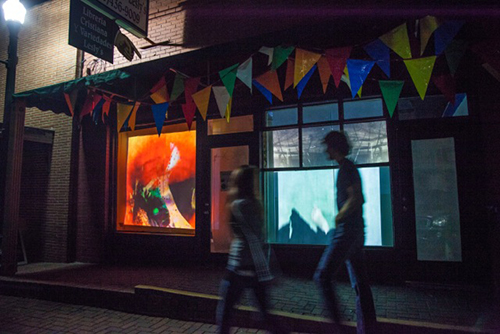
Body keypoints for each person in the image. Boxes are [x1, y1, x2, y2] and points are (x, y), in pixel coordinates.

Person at [314, 131, 377, 334]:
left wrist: (339, 216)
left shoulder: (347, 168)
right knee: (360, 284)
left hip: (348, 231)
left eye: (327, 146)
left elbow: (357, 197)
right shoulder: (347, 167)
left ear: (334, 147)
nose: (325, 150)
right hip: (356, 231)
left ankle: (340, 329)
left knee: (322, 277)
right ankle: (367, 329)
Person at [216, 165, 285, 334]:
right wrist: (265, 270)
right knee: (265, 314)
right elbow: (260, 238)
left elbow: (253, 239)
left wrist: (265, 271)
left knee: (225, 312)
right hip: (251, 267)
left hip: (239, 265)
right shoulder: (254, 204)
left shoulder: (239, 205)